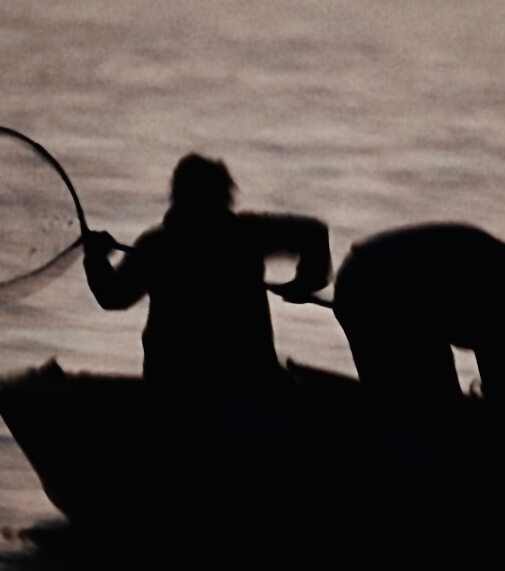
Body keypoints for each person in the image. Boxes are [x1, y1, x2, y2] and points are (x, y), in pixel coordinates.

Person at [82, 153, 330, 402]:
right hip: (246, 380)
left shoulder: (157, 244)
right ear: (224, 195)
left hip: (172, 380)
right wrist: (307, 281)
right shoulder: (247, 233)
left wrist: (96, 258)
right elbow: (314, 233)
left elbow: (113, 296)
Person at [333, 223, 505, 408]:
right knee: (433, 400)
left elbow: (501, 372)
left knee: (405, 393)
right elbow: (504, 385)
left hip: (361, 275)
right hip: (374, 289)